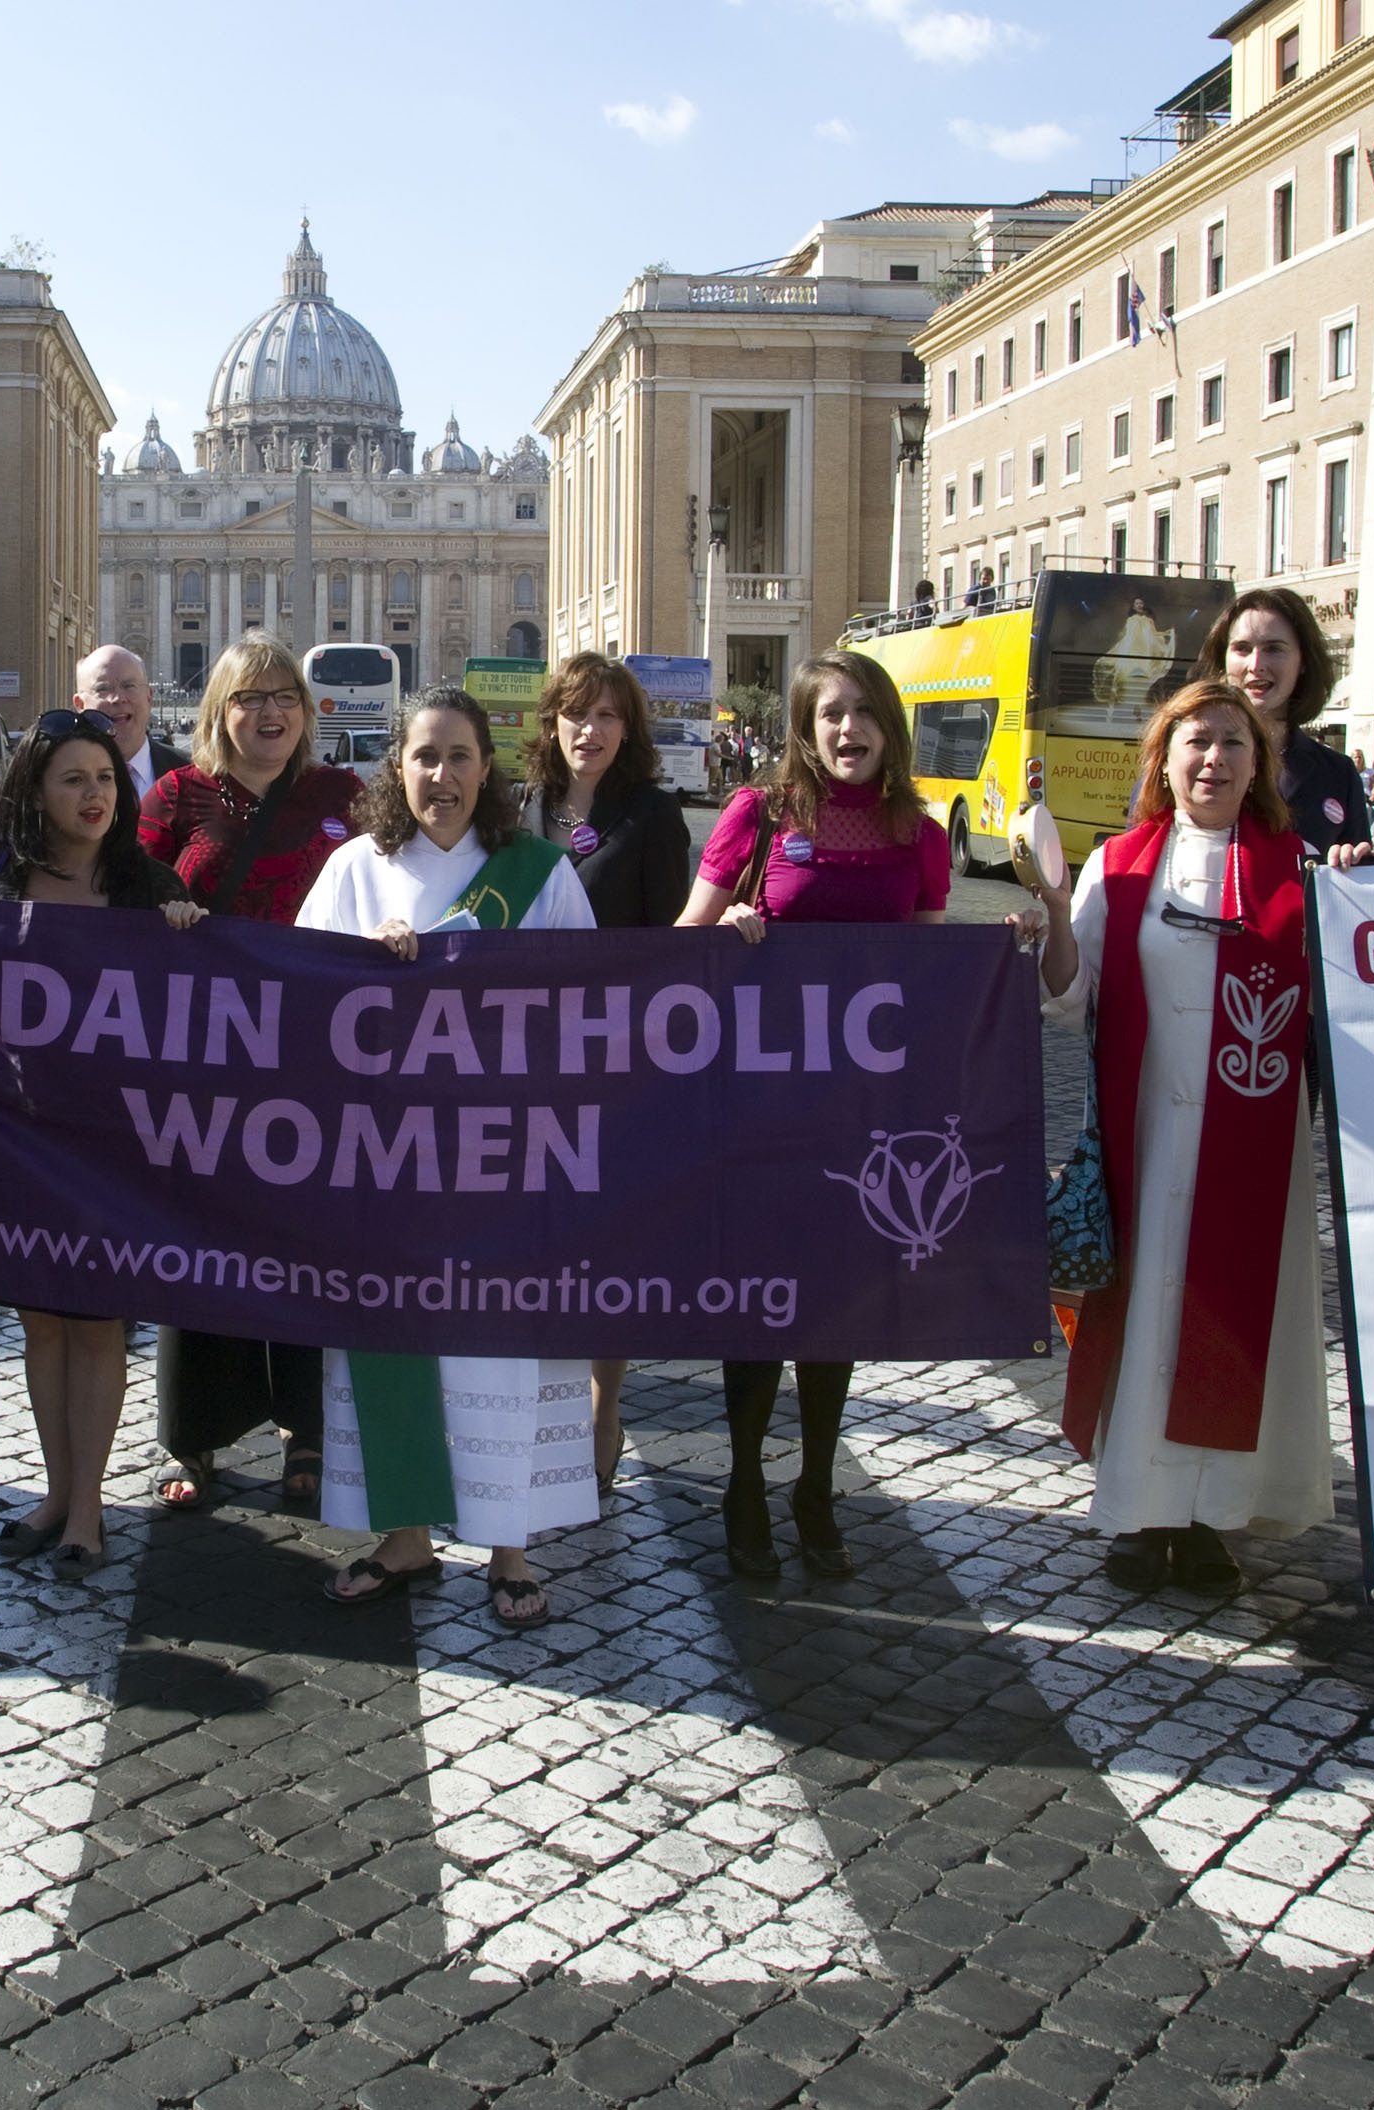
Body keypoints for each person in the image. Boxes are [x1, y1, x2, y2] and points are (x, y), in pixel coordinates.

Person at [295, 688, 596, 1631]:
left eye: (461, 757)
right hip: (384, 1162)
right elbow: (293, 999)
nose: (443, 776)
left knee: (498, 1354)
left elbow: (587, 1007)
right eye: (425, 757)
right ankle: (406, 1535)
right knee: (391, 1345)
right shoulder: (353, 869)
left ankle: (508, 1549)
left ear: (486, 769)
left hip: (503, 1160)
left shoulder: (538, 874)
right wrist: (362, 966)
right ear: (397, 767)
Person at [1027, 679, 1326, 1599]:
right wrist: (1052, 905)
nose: (1214, 760)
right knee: (1151, 1312)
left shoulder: (1299, 867)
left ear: (1258, 764)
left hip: (1256, 1143)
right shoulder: (1122, 865)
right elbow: (1067, 996)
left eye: (1234, 743)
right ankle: (1136, 1512)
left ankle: (1210, 1519)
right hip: (1150, 1130)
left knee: (1232, 1323)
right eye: (1196, 741)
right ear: (1163, 757)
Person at [676, 649, 953, 1581]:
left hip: (862, 1117)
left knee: (836, 1311)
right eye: (831, 713)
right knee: (757, 1308)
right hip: (759, 1111)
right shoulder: (757, 814)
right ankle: (746, 1480)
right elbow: (680, 952)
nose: (849, 730)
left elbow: (928, 977)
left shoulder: (917, 828)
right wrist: (723, 937)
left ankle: (818, 1486)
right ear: (804, 724)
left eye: (865, 712)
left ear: (890, 725)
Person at [0, 710, 202, 1570]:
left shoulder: (145, 881)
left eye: (104, 779)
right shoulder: (1, 874)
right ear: (37, 790)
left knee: (100, 1323)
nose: (94, 794)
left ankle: (90, 1511)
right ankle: (56, 1490)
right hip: (21, 1132)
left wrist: (189, 926)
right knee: (44, 1324)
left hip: (112, 1139)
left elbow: (196, 1001)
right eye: (74, 779)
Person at [134, 635, 364, 1509]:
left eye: (286, 698)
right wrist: (167, 908)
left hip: (319, 1055)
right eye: (249, 698)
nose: (270, 713)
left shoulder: (343, 796)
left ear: (304, 715)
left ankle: (308, 1430)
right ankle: (194, 1434)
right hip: (209, 1053)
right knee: (203, 1238)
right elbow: (127, 886)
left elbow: (398, 880)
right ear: (218, 711)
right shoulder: (176, 796)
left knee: (308, 1244)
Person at [522, 651, 694, 1496]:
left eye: (608, 716)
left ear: (629, 730)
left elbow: (669, 943)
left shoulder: (654, 818)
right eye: (576, 714)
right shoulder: (518, 811)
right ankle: (539, 1404)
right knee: (542, 1242)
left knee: (608, 1243)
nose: (590, 731)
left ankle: (604, 1403)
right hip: (525, 1063)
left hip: (618, 1059)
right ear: (552, 721)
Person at [1202, 585, 1372, 859]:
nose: (1255, 664)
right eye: (1242, 649)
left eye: (1273, 649)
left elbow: (1359, 885)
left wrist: (1358, 862)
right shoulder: (1183, 762)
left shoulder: (1338, 774)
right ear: (1223, 659)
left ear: (1303, 660)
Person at [73, 642, 186, 811]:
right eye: (103, 689)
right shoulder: (60, 776)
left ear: (149, 697)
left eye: (128, 686)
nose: (118, 698)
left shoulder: (191, 772)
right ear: (80, 705)